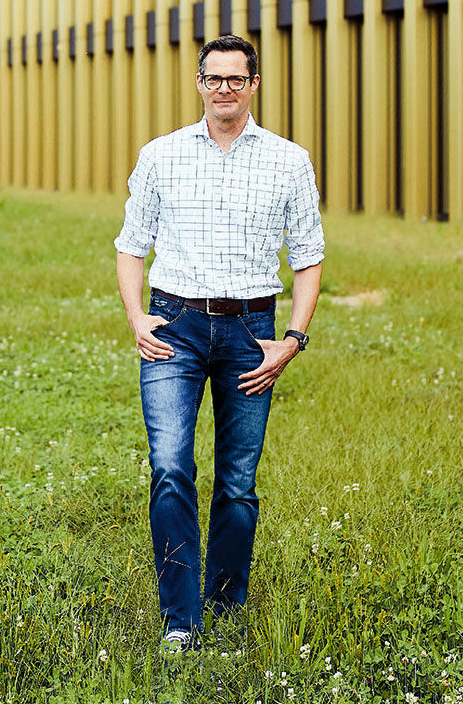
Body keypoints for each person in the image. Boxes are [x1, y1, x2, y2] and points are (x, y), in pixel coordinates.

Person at [114, 34, 324, 654]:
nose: (224, 89)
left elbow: (308, 258)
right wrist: (136, 317)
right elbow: (132, 244)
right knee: (171, 469)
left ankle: (226, 605)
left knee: (237, 480)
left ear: (254, 84)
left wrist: (293, 338)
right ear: (199, 83)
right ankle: (180, 620)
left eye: (236, 79)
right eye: (214, 79)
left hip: (251, 332)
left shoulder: (290, 160)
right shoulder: (161, 155)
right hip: (173, 327)